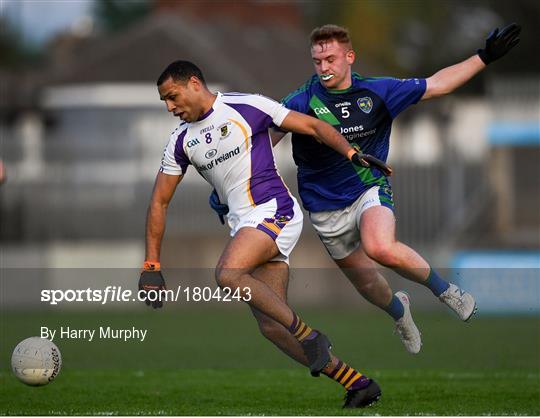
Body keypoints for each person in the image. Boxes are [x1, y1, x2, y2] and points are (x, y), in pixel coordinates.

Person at [210, 23, 521, 354]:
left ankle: (447, 292)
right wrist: (229, 187)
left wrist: (484, 57)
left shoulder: (378, 92)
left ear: (349, 57)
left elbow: (438, 85)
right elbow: (261, 147)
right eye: (317, 61)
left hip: (368, 189)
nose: (324, 67)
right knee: (369, 283)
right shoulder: (301, 101)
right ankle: (400, 313)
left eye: (330, 59)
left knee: (381, 247)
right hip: (324, 207)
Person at [138, 60, 386, 408]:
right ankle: (357, 383)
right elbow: (159, 203)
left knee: (228, 273)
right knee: (271, 326)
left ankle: (310, 334)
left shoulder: (247, 106)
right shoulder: (181, 141)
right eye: (164, 101)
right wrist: (151, 265)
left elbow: (312, 126)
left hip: (275, 211)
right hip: (245, 227)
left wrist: (351, 153)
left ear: (194, 83)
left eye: (172, 97)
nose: (170, 107)